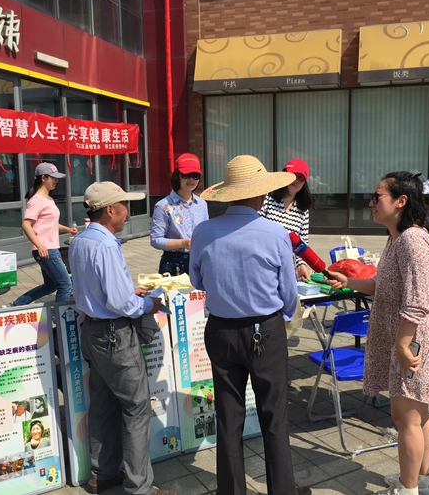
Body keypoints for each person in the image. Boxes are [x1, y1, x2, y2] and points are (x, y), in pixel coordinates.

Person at [190, 154, 310, 495]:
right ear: (260, 194)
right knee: (275, 415)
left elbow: (196, 281)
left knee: (228, 417)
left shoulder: (203, 231)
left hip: (221, 330)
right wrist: (281, 317)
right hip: (266, 329)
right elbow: (288, 292)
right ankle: (282, 491)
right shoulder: (275, 233)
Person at [326, 171, 429, 495]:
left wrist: (402, 347)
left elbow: (417, 301)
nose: (370, 203)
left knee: (405, 417)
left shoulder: (412, 240)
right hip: (409, 339)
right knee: (418, 413)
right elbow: (381, 285)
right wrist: (349, 281)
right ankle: (420, 481)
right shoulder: (397, 237)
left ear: (400, 201)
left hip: (412, 340)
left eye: (376, 196)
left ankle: (408, 489)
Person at [69, 181, 175, 495]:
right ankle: (139, 487)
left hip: (93, 332)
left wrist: (130, 292)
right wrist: (149, 304)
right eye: (124, 206)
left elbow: (102, 289)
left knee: (102, 404)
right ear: (111, 209)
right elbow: (122, 304)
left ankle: (101, 474)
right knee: (136, 408)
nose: (128, 212)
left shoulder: (80, 240)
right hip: (115, 336)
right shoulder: (106, 245)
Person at [11, 162, 76, 307]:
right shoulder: (37, 200)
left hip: (49, 249)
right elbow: (26, 224)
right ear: (43, 178)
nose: (56, 180)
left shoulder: (49, 199)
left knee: (50, 286)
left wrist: (68, 229)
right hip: (47, 250)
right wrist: (40, 245)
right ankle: (61, 316)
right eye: (53, 177)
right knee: (65, 284)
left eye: (57, 178)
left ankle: (16, 304)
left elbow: (50, 224)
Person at [150, 153, 209, 275]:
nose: (191, 179)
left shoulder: (202, 204)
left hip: (199, 260)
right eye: (186, 175)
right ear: (177, 176)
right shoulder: (163, 206)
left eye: (195, 175)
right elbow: (155, 240)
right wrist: (183, 243)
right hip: (173, 262)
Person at [259, 158, 313, 280]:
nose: (296, 180)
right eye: (292, 175)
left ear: (304, 183)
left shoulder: (303, 209)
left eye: (300, 177)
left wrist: (301, 265)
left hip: (286, 269)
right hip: (263, 264)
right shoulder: (267, 199)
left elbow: (302, 242)